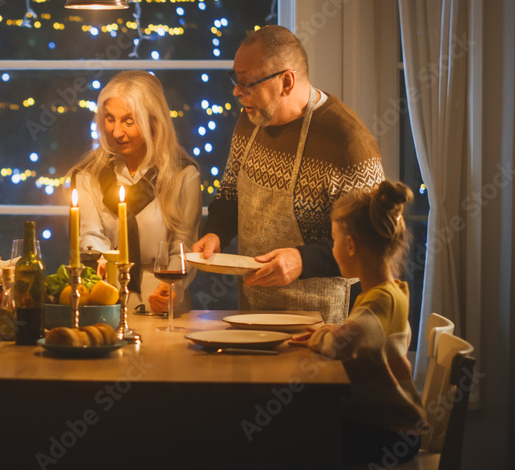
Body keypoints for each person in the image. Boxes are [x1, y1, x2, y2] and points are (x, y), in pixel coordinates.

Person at [190, 25, 385, 323]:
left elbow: (369, 242)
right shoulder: (249, 120)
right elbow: (230, 194)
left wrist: (302, 261)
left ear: (286, 81)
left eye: (247, 83)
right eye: (235, 80)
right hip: (256, 308)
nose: (236, 92)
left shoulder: (348, 142)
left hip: (327, 321)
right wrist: (216, 232)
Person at [290, 181, 424, 464]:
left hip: (391, 434)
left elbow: (342, 344)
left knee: (302, 441)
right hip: (390, 428)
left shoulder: (381, 302)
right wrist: (328, 330)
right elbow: (357, 335)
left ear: (350, 245)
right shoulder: (390, 292)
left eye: (334, 239)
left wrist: (321, 336)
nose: (333, 247)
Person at [72, 71, 202, 310]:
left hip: (165, 301)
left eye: (128, 121)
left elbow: (184, 245)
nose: (116, 132)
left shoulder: (183, 175)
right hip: (107, 298)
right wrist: (101, 259)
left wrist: (171, 286)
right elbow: (89, 235)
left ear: (154, 121)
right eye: (110, 119)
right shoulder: (89, 176)